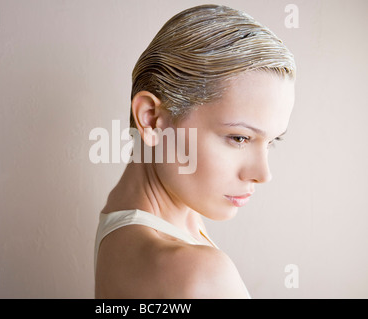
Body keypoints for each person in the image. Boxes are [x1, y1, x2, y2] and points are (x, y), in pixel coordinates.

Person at [94, 4, 296, 298]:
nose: (263, 174)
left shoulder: (129, 214)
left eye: (271, 141)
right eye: (239, 138)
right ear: (151, 119)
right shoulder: (198, 272)